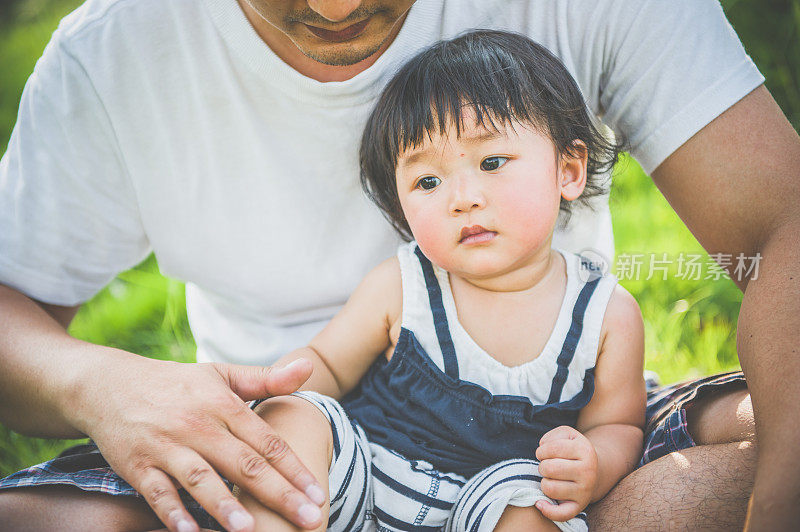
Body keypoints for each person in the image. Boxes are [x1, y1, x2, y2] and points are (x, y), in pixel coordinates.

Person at [0, 0, 795, 530]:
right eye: (426, 181)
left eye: (492, 163)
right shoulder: (405, 281)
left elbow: (617, 417)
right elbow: (323, 368)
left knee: (761, 436)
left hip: (520, 474)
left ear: (566, 168)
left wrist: (593, 463)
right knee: (289, 432)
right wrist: (110, 385)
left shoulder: (602, 314)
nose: (338, 8)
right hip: (350, 457)